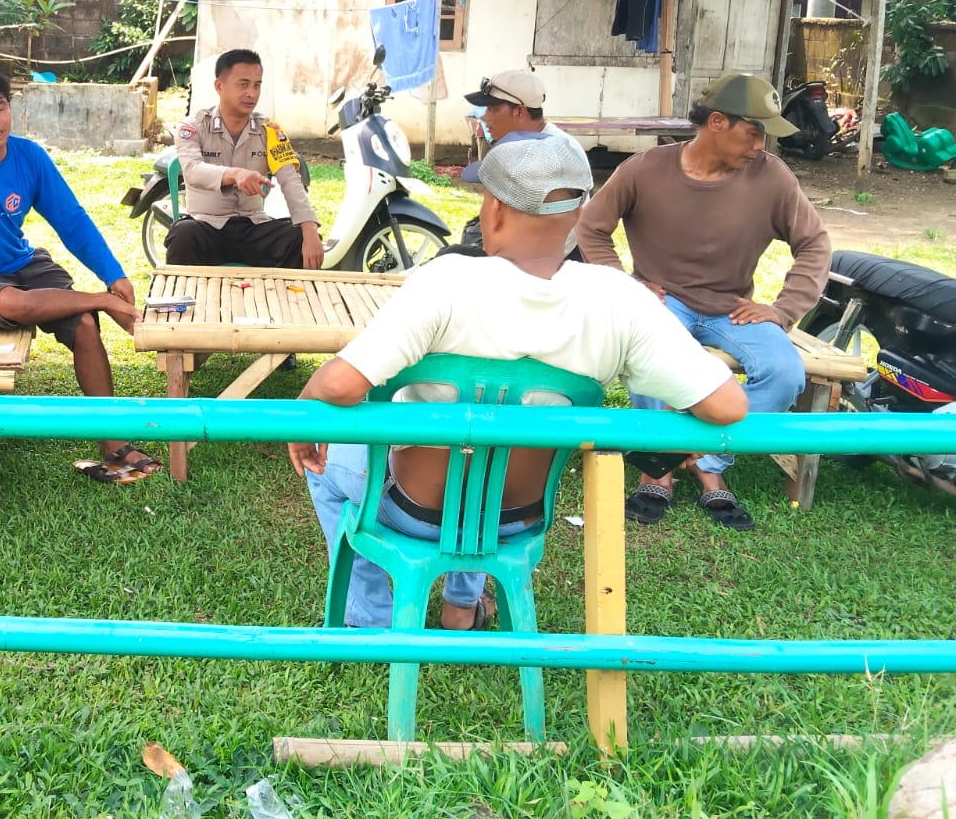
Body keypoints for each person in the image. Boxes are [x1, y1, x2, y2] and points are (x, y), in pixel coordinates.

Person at [291, 134, 747, 630]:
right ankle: (461, 608)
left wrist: (303, 413)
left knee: (328, 464)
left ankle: (371, 620)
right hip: (517, 517)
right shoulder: (622, 300)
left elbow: (341, 386)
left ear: (494, 209)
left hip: (413, 508)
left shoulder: (445, 282)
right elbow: (727, 406)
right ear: (578, 214)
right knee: (490, 462)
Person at [578, 73, 831, 532]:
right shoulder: (645, 169)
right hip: (663, 301)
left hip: (732, 308)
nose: (760, 146)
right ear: (717, 122)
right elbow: (591, 228)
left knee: (785, 372)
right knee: (646, 341)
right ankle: (657, 471)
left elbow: (814, 243)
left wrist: (783, 309)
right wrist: (625, 285)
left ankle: (706, 460)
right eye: (753, 132)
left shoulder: (771, 176)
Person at [0, 64, 159, 484]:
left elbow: (72, 221)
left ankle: (114, 444)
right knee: (16, 303)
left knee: (85, 326)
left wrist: (113, 274)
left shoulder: (29, 157)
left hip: (23, 262)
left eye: (0, 107)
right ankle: (102, 303)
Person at [166, 49, 323, 269]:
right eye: (243, 84)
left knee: (297, 238)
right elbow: (192, 170)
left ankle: (284, 293)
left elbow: (290, 180)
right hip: (206, 224)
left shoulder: (270, 130)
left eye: (257, 85)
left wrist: (310, 229)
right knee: (183, 234)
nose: (252, 93)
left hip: (253, 227)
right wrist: (235, 174)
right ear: (219, 86)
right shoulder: (193, 126)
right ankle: (184, 293)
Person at [458, 69, 583, 248]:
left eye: (493, 109)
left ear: (519, 112)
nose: (484, 117)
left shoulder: (552, 154)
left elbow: (556, 232)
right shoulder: (517, 143)